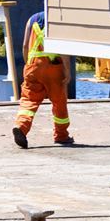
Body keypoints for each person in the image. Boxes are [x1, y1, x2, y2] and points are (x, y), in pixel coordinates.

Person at [12, 9, 75, 148]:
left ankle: (21, 126)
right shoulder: (58, 19)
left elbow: (24, 45)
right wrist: (67, 71)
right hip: (53, 67)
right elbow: (62, 49)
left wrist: (28, 64)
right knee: (59, 102)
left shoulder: (32, 19)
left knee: (28, 100)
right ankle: (61, 135)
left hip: (32, 66)